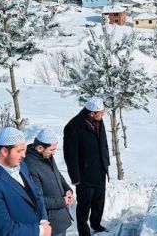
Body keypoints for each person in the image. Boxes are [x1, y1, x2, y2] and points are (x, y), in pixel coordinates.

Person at [0, 127, 50, 236]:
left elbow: (35, 192)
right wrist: (40, 231)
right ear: (4, 151)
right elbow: (5, 231)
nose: (24, 155)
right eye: (19, 151)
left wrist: (43, 219)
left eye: (24, 150)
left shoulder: (17, 162)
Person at [63, 97, 110, 236]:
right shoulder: (73, 127)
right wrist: (75, 178)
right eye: (100, 113)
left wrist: (106, 162)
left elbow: (104, 143)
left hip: (100, 169)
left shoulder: (99, 121)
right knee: (84, 205)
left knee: (98, 202)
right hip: (85, 175)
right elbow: (69, 155)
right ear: (91, 113)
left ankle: (96, 223)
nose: (103, 115)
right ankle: (84, 231)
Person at [24, 128, 74, 236]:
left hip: (60, 217)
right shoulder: (30, 165)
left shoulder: (46, 155)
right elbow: (38, 199)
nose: (54, 153)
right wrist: (63, 201)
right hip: (50, 223)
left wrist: (67, 189)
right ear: (40, 147)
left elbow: (57, 174)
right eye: (52, 150)